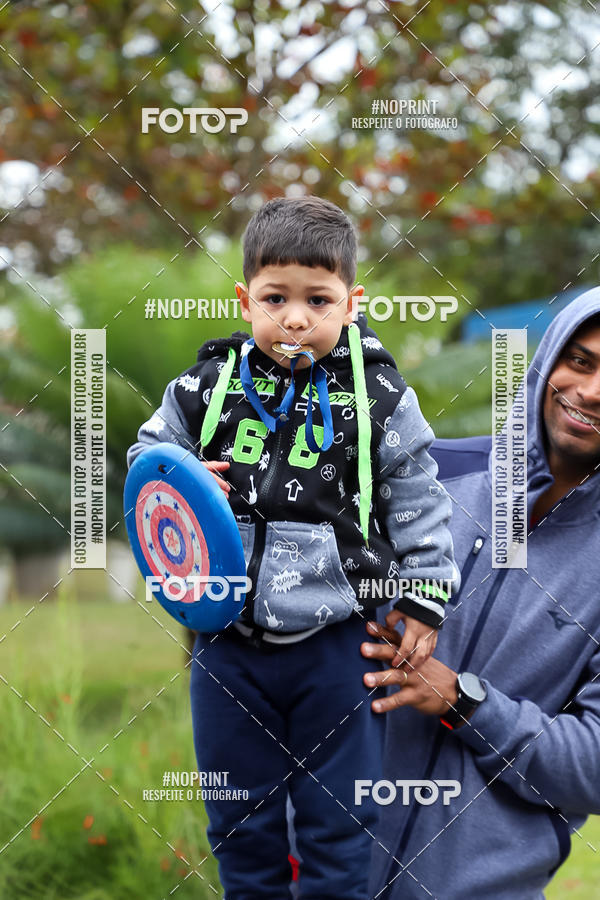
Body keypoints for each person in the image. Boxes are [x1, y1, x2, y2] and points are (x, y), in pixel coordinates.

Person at [127, 196, 458, 899]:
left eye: (319, 298)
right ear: (246, 298)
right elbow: (148, 460)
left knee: (339, 827)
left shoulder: (382, 400)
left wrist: (425, 604)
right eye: (276, 298)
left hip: (336, 649)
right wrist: (186, 479)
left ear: (352, 301)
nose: (297, 318)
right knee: (240, 827)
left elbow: (422, 501)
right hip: (226, 648)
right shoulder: (203, 389)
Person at [362, 288, 600, 899]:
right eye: (580, 361)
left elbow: (593, 766)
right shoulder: (428, 473)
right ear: (548, 360)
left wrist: (462, 702)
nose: (593, 391)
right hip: (326, 867)